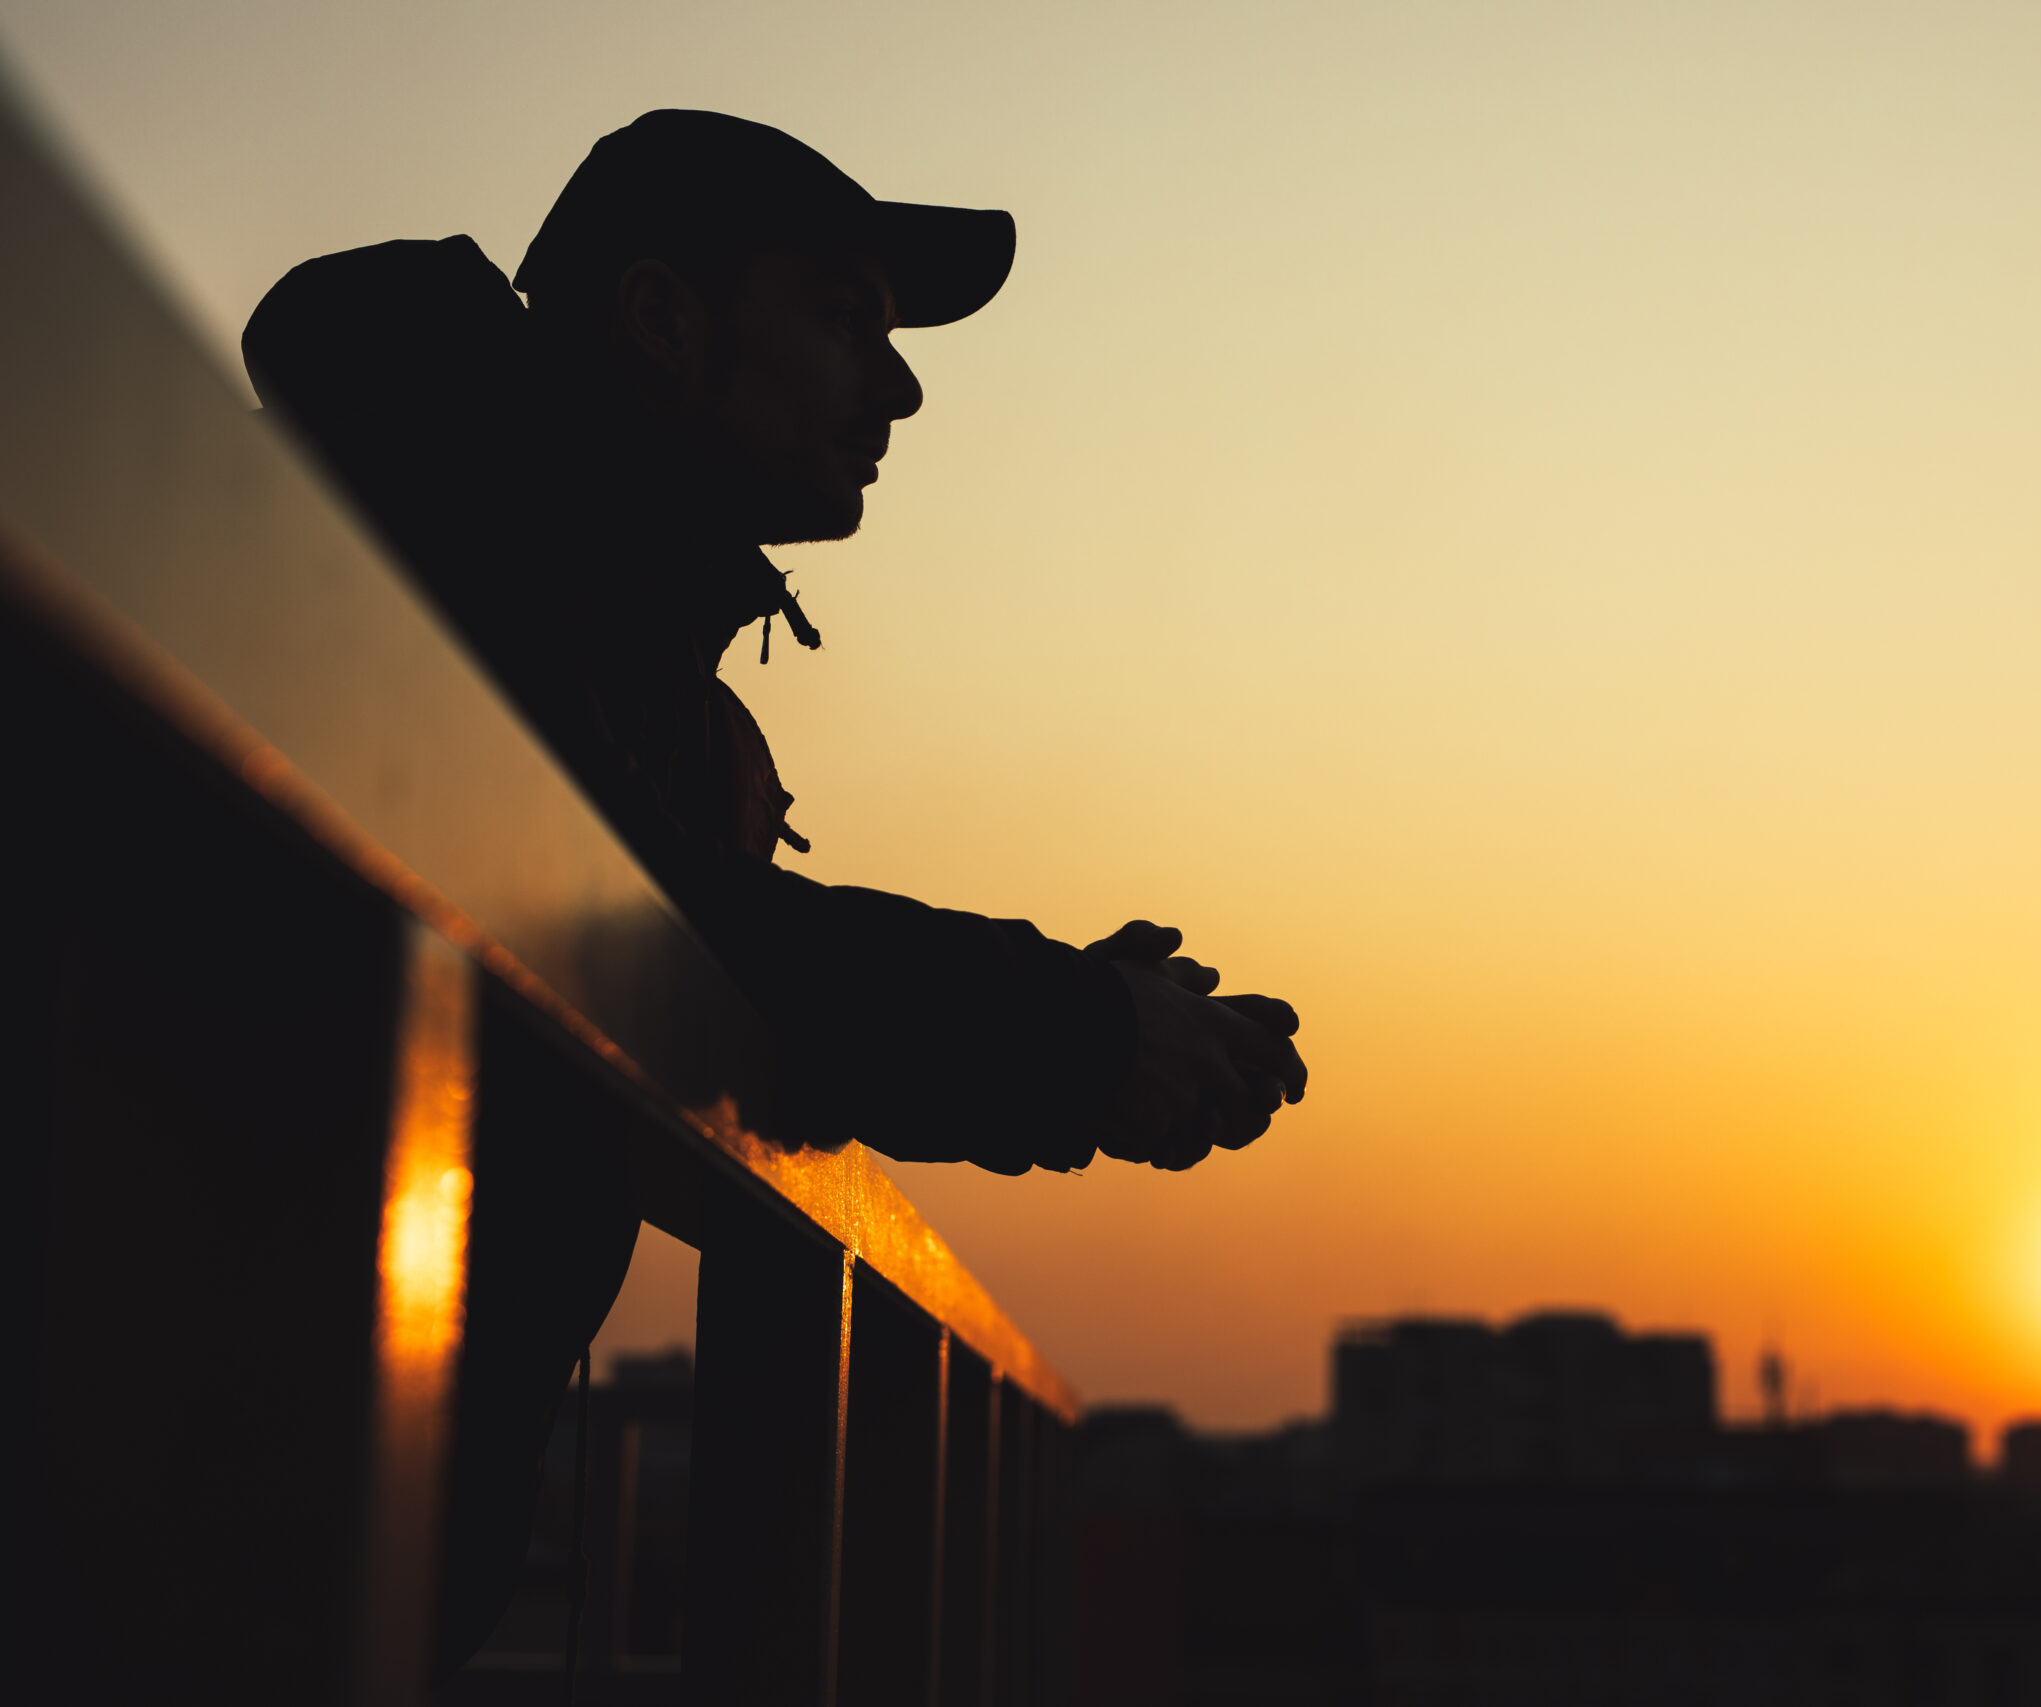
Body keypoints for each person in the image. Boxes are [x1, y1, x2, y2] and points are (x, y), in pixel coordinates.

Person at [240, 109, 1307, 1673]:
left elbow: (663, 1028)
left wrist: (1085, 1025)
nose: (900, 382)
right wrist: (1077, 1031)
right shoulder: (445, 525)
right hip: (167, 1533)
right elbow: (625, 944)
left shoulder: (591, 616)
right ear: (665, 320)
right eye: (844, 315)